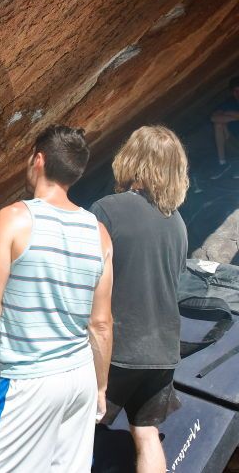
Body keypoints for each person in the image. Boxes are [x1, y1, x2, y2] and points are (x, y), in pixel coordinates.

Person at [0, 125, 114, 473]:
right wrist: (101, 387)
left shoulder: (15, 218)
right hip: (81, 378)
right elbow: (101, 324)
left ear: (38, 159)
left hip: (30, 379)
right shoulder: (99, 233)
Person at [90, 126, 188, 473]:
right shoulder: (177, 222)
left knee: (76, 431)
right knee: (146, 433)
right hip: (163, 350)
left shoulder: (107, 210)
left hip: (118, 348)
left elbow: (85, 281)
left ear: (131, 159)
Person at [209, 76, 239, 179]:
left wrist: (228, 115)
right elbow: (214, 118)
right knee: (218, 125)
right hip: (233, 141)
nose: (238, 94)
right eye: (235, 91)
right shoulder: (229, 104)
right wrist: (235, 117)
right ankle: (222, 163)